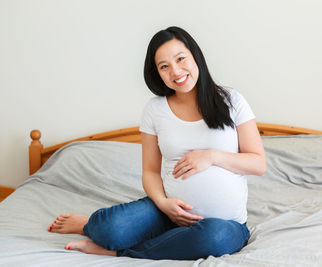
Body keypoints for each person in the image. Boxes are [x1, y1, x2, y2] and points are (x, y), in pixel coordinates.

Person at [48, 26, 266, 260]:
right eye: (164, 66)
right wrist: (163, 203)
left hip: (226, 223)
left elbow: (258, 163)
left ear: (195, 56)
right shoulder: (155, 109)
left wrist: (211, 156)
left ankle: (120, 251)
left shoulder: (231, 100)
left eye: (181, 59)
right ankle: (89, 226)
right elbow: (150, 171)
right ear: (158, 73)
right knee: (109, 228)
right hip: (167, 214)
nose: (176, 71)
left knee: (213, 239)